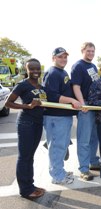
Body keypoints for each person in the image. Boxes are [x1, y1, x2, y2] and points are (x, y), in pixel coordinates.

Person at [5, 58, 46, 199]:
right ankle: (25, 190)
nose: (35, 71)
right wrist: (27, 106)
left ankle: (30, 185)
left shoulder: (41, 86)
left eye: (37, 68)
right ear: (26, 70)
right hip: (26, 124)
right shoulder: (23, 85)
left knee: (30, 156)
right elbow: (8, 103)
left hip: (37, 123)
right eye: (32, 69)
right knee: (24, 157)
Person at [42, 47, 81, 184]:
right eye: (60, 57)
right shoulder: (52, 73)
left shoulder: (62, 71)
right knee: (57, 146)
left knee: (62, 146)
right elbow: (51, 96)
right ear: (53, 58)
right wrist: (71, 100)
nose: (63, 59)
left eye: (65, 57)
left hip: (63, 116)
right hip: (55, 116)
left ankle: (60, 171)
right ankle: (57, 176)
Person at [71, 42, 101, 181]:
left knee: (95, 137)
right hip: (86, 107)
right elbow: (76, 87)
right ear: (82, 51)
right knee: (84, 139)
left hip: (95, 106)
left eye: (93, 51)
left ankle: (93, 161)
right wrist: (82, 104)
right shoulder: (78, 66)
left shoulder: (93, 66)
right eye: (88, 51)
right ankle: (84, 169)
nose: (91, 53)